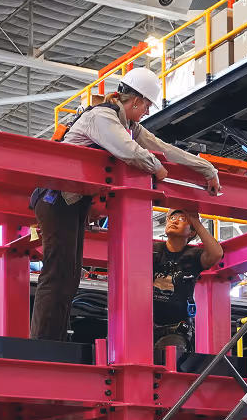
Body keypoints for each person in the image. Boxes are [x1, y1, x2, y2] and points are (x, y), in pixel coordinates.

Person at [30, 67, 222, 342]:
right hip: (56, 198)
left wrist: (207, 168)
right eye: (145, 107)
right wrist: (156, 167)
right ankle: (43, 345)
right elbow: (128, 151)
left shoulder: (127, 125)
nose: (145, 113)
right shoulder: (102, 117)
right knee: (58, 272)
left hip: (72, 202)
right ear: (136, 101)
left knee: (69, 277)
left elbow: (164, 148)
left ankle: (54, 343)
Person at [153, 208, 224, 356]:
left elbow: (216, 253)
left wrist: (196, 222)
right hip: (144, 326)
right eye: (172, 218)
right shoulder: (154, 250)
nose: (175, 221)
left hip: (176, 329)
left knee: (168, 355)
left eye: (182, 219)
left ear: (191, 233)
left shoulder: (193, 256)